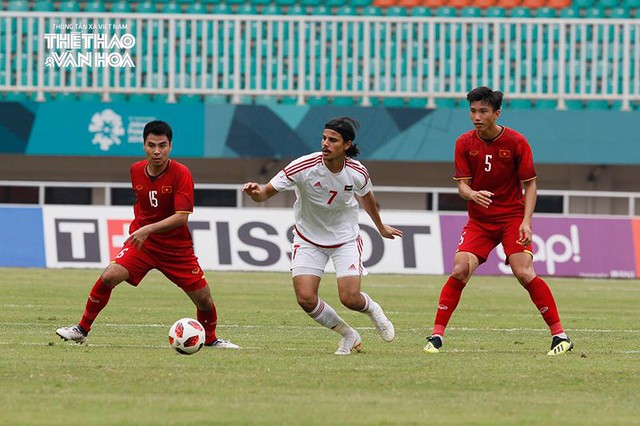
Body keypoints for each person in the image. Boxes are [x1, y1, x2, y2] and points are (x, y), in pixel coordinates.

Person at [56, 120, 239, 349]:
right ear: (143, 145)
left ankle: (211, 340)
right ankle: (81, 329)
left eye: (162, 145)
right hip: (143, 244)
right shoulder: (135, 170)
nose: (157, 151)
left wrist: (147, 228)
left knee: (204, 299)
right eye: (151, 145)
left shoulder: (181, 173)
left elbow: (182, 216)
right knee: (109, 276)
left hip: (176, 249)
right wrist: (142, 230)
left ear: (170, 146)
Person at [423, 87, 573, 356]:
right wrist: (471, 194)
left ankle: (560, 336)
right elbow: (462, 187)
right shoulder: (464, 143)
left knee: (524, 273)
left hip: (511, 219)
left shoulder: (516, 142)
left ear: (496, 113)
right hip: (479, 221)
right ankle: (436, 336)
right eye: (472, 111)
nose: (476, 117)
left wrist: (527, 221)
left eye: (483, 111)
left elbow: (530, 184)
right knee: (459, 270)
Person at [242, 117, 403, 355]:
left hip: (345, 239)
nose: (325, 143)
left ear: (347, 145)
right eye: (324, 138)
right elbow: (265, 192)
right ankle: (348, 334)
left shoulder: (357, 172)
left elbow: (366, 197)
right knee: (306, 298)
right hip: (308, 239)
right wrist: (255, 193)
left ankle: (373, 311)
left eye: (333, 140)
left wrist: (380, 226)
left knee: (350, 298)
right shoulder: (303, 166)